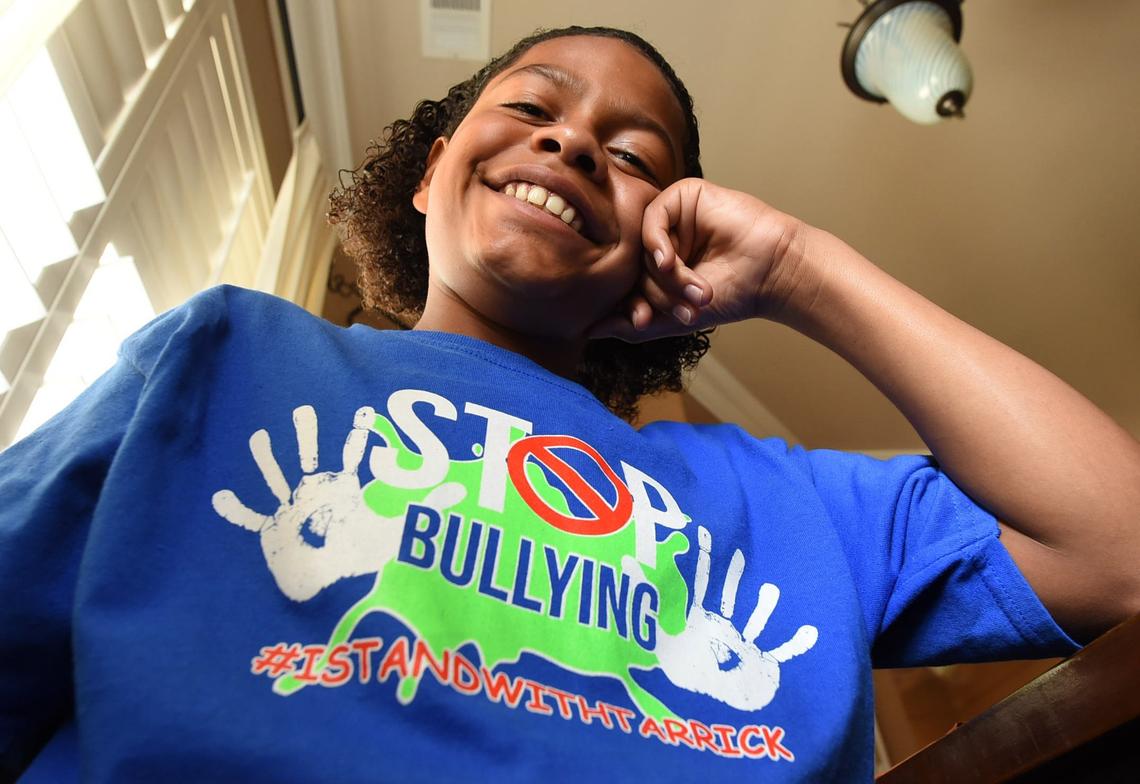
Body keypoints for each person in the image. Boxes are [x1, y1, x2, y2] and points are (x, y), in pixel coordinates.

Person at [2, 24, 1137, 783]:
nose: (576, 140)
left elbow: (1117, 547)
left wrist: (802, 268)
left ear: (664, 242)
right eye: (535, 105)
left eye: (636, 156)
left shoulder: (794, 502)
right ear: (431, 169)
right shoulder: (222, 353)